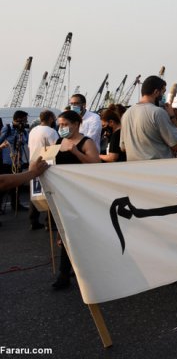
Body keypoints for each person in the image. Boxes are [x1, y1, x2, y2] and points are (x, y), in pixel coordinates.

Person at [51, 110, 101, 290]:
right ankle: (66, 273)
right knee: (65, 235)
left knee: (81, 233)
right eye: (60, 124)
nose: (61, 128)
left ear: (76, 123)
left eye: (65, 124)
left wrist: (76, 153)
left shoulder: (86, 142)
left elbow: (96, 164)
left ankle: (81, 271)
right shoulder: (58, 142)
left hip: (82, 194)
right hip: (62, 193)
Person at [120, 76, 177, 161]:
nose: (162, 96)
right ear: (156, 92)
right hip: (157, 169)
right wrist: (172, 117)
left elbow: (123, 147)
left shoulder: (126, 114)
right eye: (162, 92)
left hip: (134, 170)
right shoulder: (158, 112)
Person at [0, 110, 30, 213]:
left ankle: (16, 204)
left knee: (17, 183)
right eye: (25, 120)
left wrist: (22, 133)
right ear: (19, 119)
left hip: (18, 161)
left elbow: (26, 141)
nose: (26, 122)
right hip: (8, 161)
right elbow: (0, 141)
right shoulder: (7, 128)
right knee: (4, 185)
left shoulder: (23, 131)